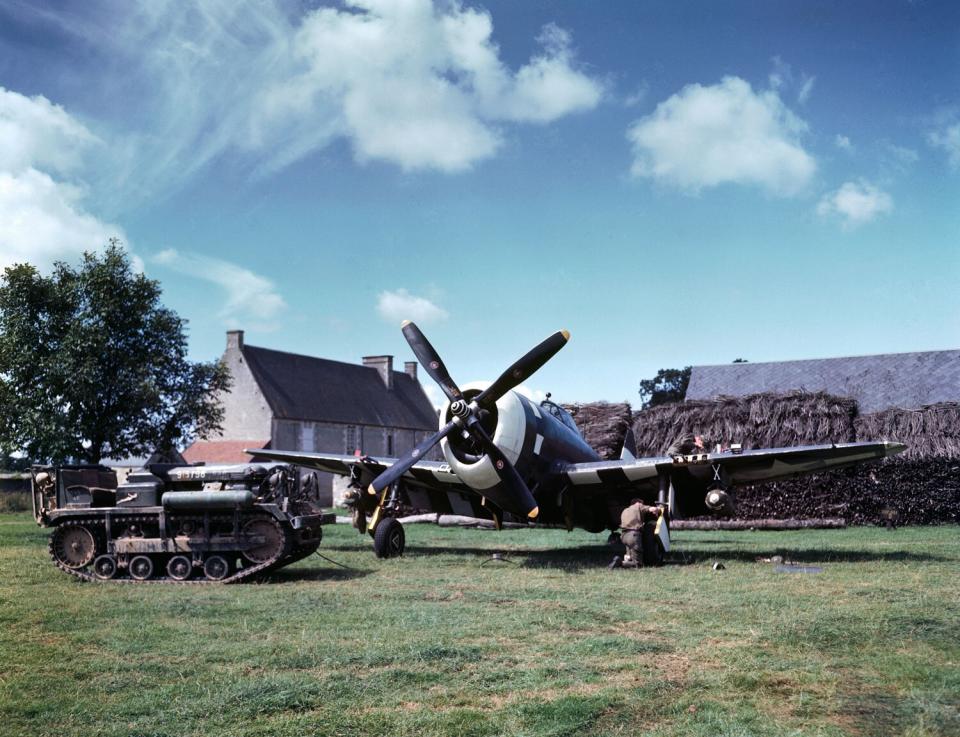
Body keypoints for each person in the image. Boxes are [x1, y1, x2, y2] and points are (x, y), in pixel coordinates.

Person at [609, 498, 661, 569]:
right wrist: (659, 508)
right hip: (633, 535)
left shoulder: (625, 510)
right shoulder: (638, 506)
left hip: (624, 536)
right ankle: (620, 563)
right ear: (638, 503)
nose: (643, 504)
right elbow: (653, 509)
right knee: (638, 564)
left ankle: (625, 561)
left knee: (629, 557)